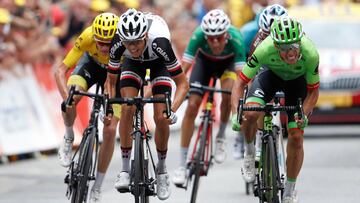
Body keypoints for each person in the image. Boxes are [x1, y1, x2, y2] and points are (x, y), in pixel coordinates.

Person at [231, 17, 319, 203]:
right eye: (285, 48)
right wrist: (235, 113)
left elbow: (313, 92)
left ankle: (289, 189)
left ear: (300, 41)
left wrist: (304, 113)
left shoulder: (310, 53)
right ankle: (249, 152)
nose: (291, 53)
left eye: (294, 46)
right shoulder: (265, 49)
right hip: (270, 76)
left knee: (296, 135)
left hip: (297, 83)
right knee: (251, 113)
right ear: (276, 46)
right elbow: (240, 82)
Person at [106, 9, 189, 200]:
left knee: (160, 118)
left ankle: (161, 172)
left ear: (145, 35)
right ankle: (125, 170)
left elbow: (183, 84)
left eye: (136, 42)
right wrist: (110, 104)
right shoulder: (119, 42)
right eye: (128, 43)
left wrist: (172, 110)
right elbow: (111, 81)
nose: (133, 47)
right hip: (132, 65)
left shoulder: (160, 42)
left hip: (158, 63)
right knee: (127, 106)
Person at [172, 9, 246, 185]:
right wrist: (176, 87)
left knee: (228, 94)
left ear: (226, 34)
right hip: (204, 65)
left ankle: (220, 137)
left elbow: (242, 78)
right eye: (210, 38)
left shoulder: (236, 39)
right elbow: (183, 68)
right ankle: (182, 165)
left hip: (228, 65)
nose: (214, 42)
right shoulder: (198, 35)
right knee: (192, 106)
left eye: (219, 38)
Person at [54, 12, 121, 203]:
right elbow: (60, 71)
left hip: (117, 74)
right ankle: (68, 136)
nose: (104, 47)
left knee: (110, 130)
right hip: (91, 66)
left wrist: (110, 104)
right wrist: (68, 99)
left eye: (109, 43)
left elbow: (116, 80)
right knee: (72, 96)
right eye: (100, 42)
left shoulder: (124, 44)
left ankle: (98, 186)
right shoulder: (87, 36)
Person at [234, 4, 288, 160]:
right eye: (267, 35)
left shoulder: (293, 36)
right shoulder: (251, 35)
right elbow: (250, 72)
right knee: (256, 96)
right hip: (258, 63)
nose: (272, 40)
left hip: (281, 65)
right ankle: (256, 140)